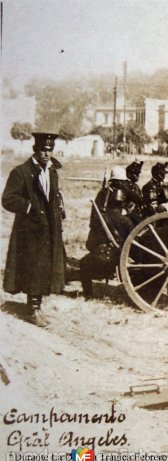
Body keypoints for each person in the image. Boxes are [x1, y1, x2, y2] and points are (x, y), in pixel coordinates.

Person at [2, 132, 66, 327]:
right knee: (34, 268)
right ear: (35, 149)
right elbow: (8, 199)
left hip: (49, 229)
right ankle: (32, 309)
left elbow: (54, 194)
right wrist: (30, 208)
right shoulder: (21, 172)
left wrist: (60, 207)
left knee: (44, 267)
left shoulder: (52, 171)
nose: (46, 154)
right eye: (43, 150)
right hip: (29, 231)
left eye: (49, 150)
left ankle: (37, 307)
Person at [79, 166, 138, 299]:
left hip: (105, 256)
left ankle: (88, 296)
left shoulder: (101, 216)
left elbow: (91, 237)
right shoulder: (126, 221)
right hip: (121, 256)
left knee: (84, 264)